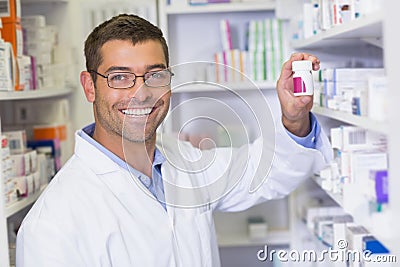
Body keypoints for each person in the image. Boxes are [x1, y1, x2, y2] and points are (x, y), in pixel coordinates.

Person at [16, 14, 332, 266]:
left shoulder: (185, 159)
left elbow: (263, 173)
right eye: (120, 77)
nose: (141, 93)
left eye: (155, 75)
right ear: (90, 86)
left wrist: (293, 117)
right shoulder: (52, 224)